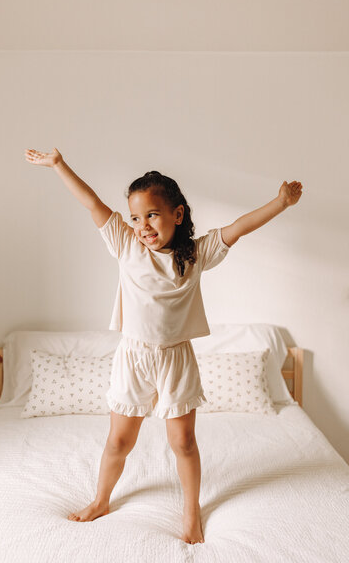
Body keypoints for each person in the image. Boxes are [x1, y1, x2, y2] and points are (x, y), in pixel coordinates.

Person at [25, 147, 303, 544]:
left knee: (183, 442)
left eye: (151, 215)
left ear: (177, 214)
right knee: (119, 441)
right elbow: (92, 203)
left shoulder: (195, 255)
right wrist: (57, 164)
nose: (142, 225)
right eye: (135, 217)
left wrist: (280, 203)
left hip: (175, 359)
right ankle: (101, 499)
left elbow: (239, 227)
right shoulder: (126, 246)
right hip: (133, 357)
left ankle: (191, 513)